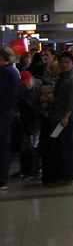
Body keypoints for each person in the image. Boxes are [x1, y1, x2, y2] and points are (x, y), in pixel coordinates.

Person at [40, 51, 73, 187]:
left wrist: (65, 117)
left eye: (67, 63)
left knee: (65, 147)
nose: (64, 65)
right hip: (57, 115)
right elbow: (61, 97)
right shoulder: (62, 78)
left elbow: (72, 101)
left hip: (66, 119)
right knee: (58, 146)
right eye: (62, 62)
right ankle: (63, 173)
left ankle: (66, 175)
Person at [0, 47, 21, 190]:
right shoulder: (12, 71)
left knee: (2, 145)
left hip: (3, 111)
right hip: (7, 111)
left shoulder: (6, 73)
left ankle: (1, 178)